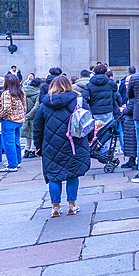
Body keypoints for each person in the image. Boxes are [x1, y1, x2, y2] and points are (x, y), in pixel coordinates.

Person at [33, 75, 90, 217]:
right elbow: (88, 121)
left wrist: (38, 146)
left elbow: (38, 128)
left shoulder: (43, 105)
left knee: (54, 176)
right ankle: (72, 204)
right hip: (74, 143)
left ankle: (55, 207)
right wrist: (89, 139)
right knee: (72, 173)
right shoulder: (79, 101)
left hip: (51, 146)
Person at [0, 73, 28, 172]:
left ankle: (12, 164)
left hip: (9, 120)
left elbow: (6, 108)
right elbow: (24, 107)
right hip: (19, 120)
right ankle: (17, 161)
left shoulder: (7, 93)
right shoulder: (21, 92)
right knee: (16, 141)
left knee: (8, 143)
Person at [21, 77, 42, 158]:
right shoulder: (38, 93)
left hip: (25, 115)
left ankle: (27, 149)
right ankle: (32, 150)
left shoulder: (24, 91)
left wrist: (25, 115)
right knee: (33, 132)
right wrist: (30, 115)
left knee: (27, 132)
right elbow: (36, 106)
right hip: (34, 116)